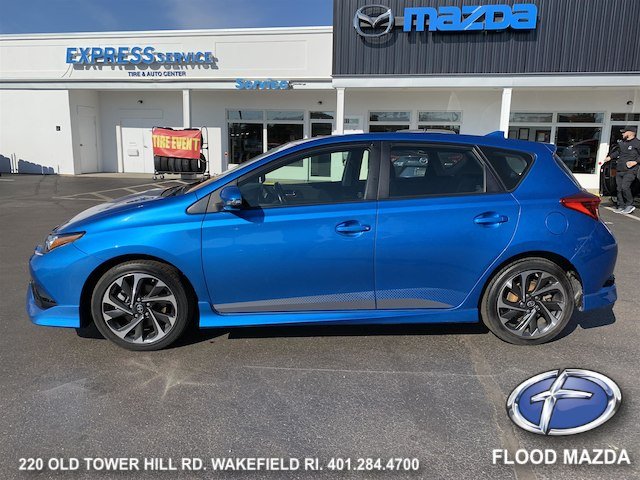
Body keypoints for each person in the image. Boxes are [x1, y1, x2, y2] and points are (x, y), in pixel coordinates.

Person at [606, 126, 640, 214]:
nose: (622, 134)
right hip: (620, 169)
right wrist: (610, 157)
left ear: (630, 133)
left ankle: (629, 205)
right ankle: (621, 206)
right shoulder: (622, 143)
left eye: (624, 132)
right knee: (619, 188)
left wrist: (635, 162)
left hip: (630, 170)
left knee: (625, 187)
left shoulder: (637, 143)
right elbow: (618, 152)